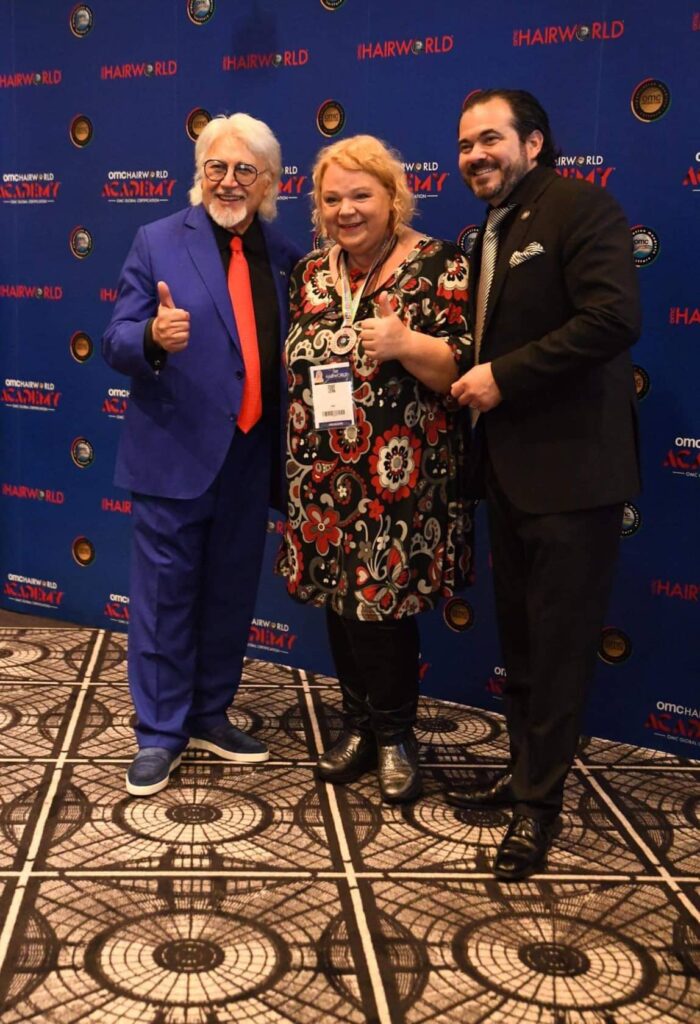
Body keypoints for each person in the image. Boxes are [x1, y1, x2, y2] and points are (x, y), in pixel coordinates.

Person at [448, 89, 641, 879]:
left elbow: (612, 319)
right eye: (465, 145)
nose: (475, 155)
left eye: (490, 139)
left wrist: (503, 376)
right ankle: (525, 773)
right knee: (523, 645)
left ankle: (539, 810)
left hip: (572, 476)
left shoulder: (582, 208)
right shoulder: (492, 229)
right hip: (508, 474)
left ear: (533, 142)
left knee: (560, 650)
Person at [103, 113, 301, 796]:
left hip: (250, 456)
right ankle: (160, 733)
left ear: (269, 181)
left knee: (230, 594)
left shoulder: (285, 255)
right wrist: (152, 337)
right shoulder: (156, 240)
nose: (229, 181)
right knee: (164, 600)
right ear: (199, 174)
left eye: (245, 169)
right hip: (174, 453)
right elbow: (115, 339)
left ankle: (210, 713)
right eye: (216, 167)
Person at [277, 134, 473, 803]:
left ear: (393, 197)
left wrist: (405, 342)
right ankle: (359, 726)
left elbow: (459, 372)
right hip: (318, 473)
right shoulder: (310, 272)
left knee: (381, 605)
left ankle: (395, 736)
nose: (347, 210)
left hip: (399, 478)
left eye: (361, 195)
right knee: (339, 602)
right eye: (332, 199)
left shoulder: (439, 263)